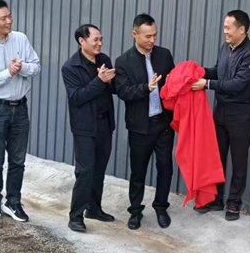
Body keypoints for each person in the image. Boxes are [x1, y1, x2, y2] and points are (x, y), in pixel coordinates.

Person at [192, 10, 250, 221]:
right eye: (224, 27)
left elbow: (237, 84)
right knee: (217, 156)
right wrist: (199, 72)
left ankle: (234, 203)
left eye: (228, 28)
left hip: (241, 115)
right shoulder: (225, 48)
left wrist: (207, 84)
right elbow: (218, 71)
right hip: (220, 111)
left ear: (242, 29)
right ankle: (216, 198)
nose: (225, 31)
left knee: (239, 160)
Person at [115, 14, 175, 231]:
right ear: (134, 34)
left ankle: (161, 207)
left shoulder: (164, 55)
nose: (152, 40)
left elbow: (173, 83)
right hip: (140, 126)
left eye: (155, 35)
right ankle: (135, 211)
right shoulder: (123, 61)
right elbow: (123, 91)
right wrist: (146, 88)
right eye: (147, 36)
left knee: (165, 167)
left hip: (163, 123)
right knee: (138, 171)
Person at [0, 0, 40, 222]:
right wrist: (8, 73)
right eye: (4, 18)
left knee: (18, 161)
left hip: (20, 108)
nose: (9, 21)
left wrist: (22, 67)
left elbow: (36, 66)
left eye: (10, 16)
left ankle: (13, 202)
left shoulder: (20, 38)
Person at [61, 25, 116, 232]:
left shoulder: (104, 60)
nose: (99, 43)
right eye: (95, 40)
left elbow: (113, 88)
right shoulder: (70, 67)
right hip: (84, 126)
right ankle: (75, 216)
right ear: (82, 41)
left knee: (99, 169)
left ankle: (94, 209)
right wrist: (100, 80)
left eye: (101, 39)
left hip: (105, 123)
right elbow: (76, 97)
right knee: (85, 171)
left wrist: (110, 82)